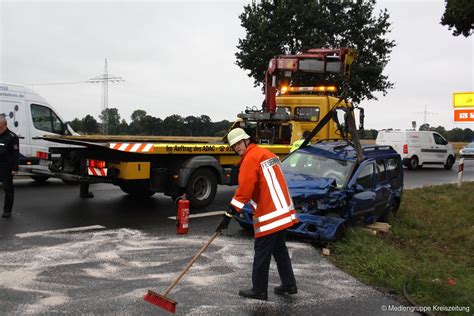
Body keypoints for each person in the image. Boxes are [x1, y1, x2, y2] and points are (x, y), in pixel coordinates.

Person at [216, 128, 298, 301]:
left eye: (239, 143)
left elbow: (244, 191)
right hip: (283, 210)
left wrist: (228, 215)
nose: (237, 148)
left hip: (270, 213)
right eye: (234, 145)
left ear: (247, 141)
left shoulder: (250, 159)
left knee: (262, 251)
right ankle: (289, 284)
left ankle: (259, 290)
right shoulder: (266, 154)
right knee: (279, 248)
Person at [0, 115, 19, 218]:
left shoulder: (12, 137)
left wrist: (15, 168)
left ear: (4, 125)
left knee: (8, 189)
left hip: (6, 167)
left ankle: (7, 211)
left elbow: (16, 153)